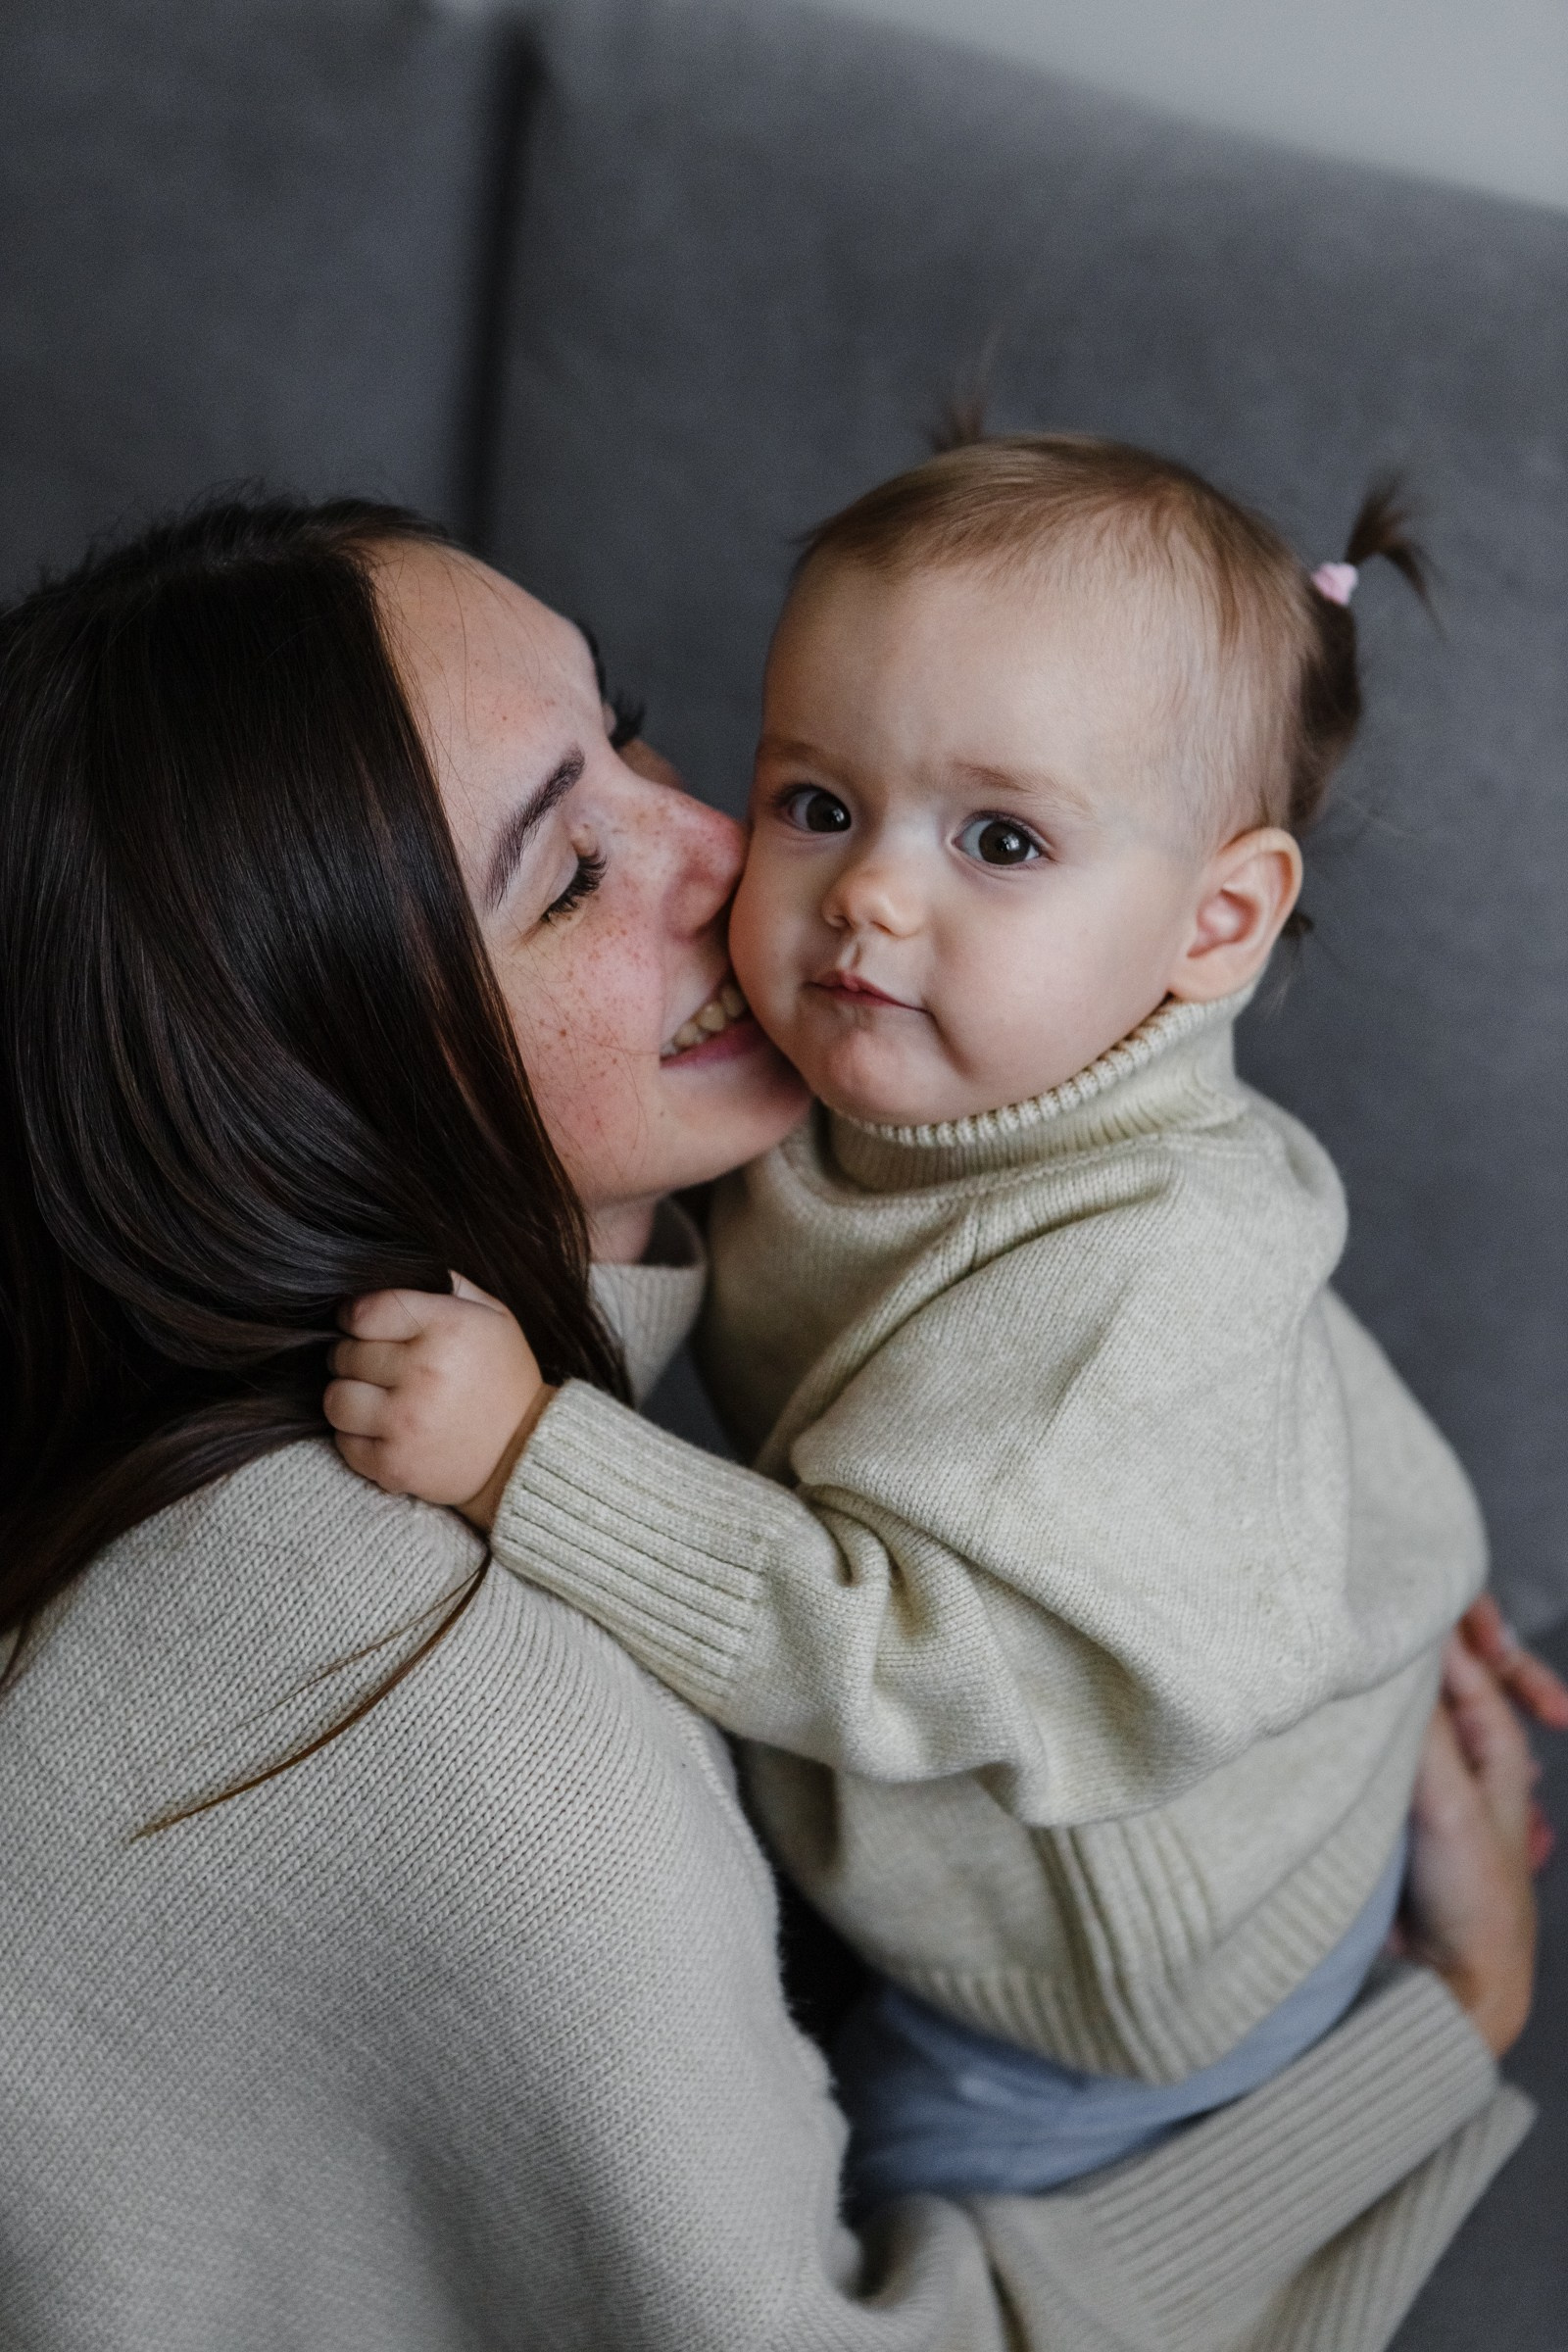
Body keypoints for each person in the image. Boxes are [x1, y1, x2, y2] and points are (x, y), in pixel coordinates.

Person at [0, 495, 1542, 2352]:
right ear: (303, 1098)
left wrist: (1369, 1608)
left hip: (1168, 1904)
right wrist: (1458, 2021)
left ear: (1225, 918)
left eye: (632, 722)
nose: (736, 854)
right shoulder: (467, 1717)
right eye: (565, 872)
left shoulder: (1024, 1188)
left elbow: (1180, 1335)